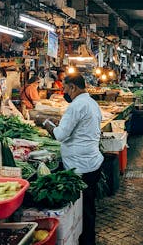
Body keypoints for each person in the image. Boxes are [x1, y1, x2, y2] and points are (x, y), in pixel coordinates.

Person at [43, 74, 103, 245]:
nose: (64, 91)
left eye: (65, 88)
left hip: (80, 166)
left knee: (83, 209)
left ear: (73, 87)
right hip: (91, 162)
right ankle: (88, 238)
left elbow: (60, 135)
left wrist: (47, 123)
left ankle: (86, 241)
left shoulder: (76, 106)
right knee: (88, 206)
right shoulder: (91, 103)